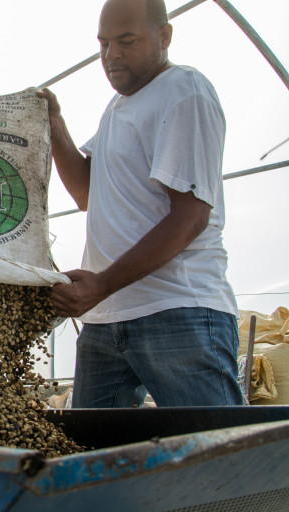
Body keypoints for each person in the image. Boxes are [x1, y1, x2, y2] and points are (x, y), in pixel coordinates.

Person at [38, 0, 243, 408]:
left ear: (164, 36)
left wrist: (100, 284)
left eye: (127, 41)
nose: (111, 55)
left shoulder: (183, 90)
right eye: (104, 44)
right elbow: (86, 194)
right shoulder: (116, 109)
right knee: (93, 447)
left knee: (211, 444)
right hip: (106, 318)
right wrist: (55, 125)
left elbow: (191, 216)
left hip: (177, 311)